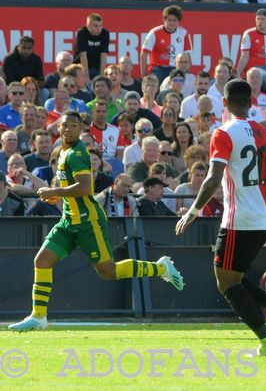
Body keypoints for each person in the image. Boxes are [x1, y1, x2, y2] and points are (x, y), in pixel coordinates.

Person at [8, 112, 184, 332]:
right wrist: (60, 195)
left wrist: (55, 190)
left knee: (108, 271)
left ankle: (160, 268)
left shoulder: (78, 152)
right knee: (42, 261)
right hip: (68, 221)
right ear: (59, 128)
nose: (69, 129)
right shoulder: (63, 151)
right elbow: (73, 190)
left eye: (74, 125)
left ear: (81, 128)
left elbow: (84, 188)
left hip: (88, 222)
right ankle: (38, 316)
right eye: (65, 125)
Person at [175, 79, 266, 356]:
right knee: (235, 278)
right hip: (263, 219)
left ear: (225, 103)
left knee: (226, 282)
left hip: (238, 220)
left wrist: (193, 211)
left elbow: (212, 179)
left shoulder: (223, 133)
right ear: (252, 103)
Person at [140, 5, 191, 84]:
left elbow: (188, 55)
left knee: (186, 81)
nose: (172, 23)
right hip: (158, 68)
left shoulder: (183, 33)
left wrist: (187, 71)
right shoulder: (154, 32)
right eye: (169, 20)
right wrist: (143, 75)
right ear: (164, 19)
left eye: (175, 20)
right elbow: (143, 54)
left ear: (179, 21)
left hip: (176, 68)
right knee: (155, 83)